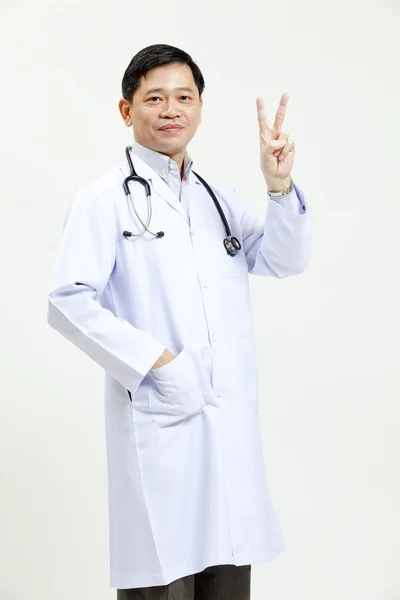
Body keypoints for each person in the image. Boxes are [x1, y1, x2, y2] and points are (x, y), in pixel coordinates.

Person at [47, 43, 312, 599]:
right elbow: (68, 300)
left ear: (199, 107)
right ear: (127, 111)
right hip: (161, 424)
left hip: (226, 435)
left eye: (184, 97)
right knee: (162, 580)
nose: (172, 109)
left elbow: (283, 260)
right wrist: (156, 364)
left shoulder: (216, 197)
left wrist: (279, 187)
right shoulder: (103, 199)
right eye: (155, 98)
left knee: (226, 577)